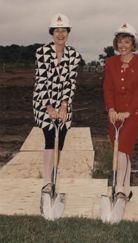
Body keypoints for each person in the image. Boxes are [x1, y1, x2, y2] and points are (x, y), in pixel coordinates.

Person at [33, 13, 81, 193]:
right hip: (43, 101)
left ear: (68, 32)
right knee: (49, 135)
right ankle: (46, 182)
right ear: (52, 32)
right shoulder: (41, 52)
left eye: (64, 30)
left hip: (64, 102)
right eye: (57, 30)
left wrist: (63, 106)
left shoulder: (74, 55)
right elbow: (41, 80)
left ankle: (54, 176)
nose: (60, 34)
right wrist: (49, 107)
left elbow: (71, 82)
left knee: (59, 140)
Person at [103, 23, 138, 201]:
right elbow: (107, 88)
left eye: (127, 42)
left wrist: (129, 112)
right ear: (116, 43)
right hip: (114, 115)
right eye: (120, 42)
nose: (123, 45)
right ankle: (127, 189)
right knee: (122, 151)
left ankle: (119, 190)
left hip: (133, 113)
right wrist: (111, 109)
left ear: (133, 44)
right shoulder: (110, 62)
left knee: (122, 150)